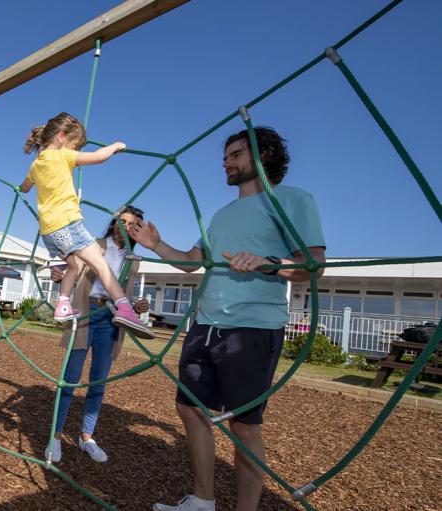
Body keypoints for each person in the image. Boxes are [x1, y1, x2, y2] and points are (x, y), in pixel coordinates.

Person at [130, 127, 326, 511]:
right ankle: (202, 502)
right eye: (226, 156)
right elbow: (191, 263)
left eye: (235, 154)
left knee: (244, 426)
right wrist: (156, 245)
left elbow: (313, 265)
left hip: (253, 329)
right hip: (205, 326)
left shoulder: (292, 200)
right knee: (190, 408)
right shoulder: (220, 215)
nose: (226, 161)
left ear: (264, 155)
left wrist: (270, 264)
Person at [20, 112, 153, 339]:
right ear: (62, 137)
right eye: (75, 145)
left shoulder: (36, 165)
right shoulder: (62, 156)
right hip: (68, 224)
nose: (76, 150)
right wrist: (116, 145)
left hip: (49, 231)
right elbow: (100, 157)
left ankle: (63, 305)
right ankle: (124, 308)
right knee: (102, 266)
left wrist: (23, 188)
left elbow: (24, 187)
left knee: (75, 266)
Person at [45, 206, 151, 464]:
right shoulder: (95, 244)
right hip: (86, 313)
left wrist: (135, 305)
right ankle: (56, 436)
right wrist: (61, 275)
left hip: (111, 318)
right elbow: (76, 268)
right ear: (113, 223)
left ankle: (86, 436)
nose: (124, 227)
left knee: (98, 381)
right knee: (71, 377)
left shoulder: (133, 260)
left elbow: (122, 289)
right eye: (121, 221)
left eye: (131, 224)